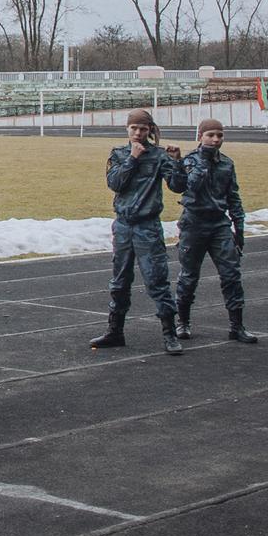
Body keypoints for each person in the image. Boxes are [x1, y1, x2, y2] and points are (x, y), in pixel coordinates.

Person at [88, 110, 187, 355]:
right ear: (127, 129)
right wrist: (132, 158)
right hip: (123, 225)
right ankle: (115, 331)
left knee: (157, 280)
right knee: (119, 281)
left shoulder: (158, 156)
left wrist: (177, 162)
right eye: (134, 128)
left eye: (143, 129)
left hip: (147, 226)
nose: (138, 133)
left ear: (149, 130)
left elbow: (178, 186)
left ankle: (169, 333)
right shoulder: (119, 154)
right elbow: (115, 183)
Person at [175, 118, 257, 345]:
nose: (216, 139)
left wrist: (239, 228)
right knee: (189, 277)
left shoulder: (227, 164)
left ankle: (237, 326)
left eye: (220, 135)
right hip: (194, 224)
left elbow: (233, 197)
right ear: (200, 136)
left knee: (231, 275)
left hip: (219, 225)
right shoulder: (190, 161)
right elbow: (190, 186)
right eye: (210, 135)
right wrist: (203, 159)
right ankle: (182, 322)